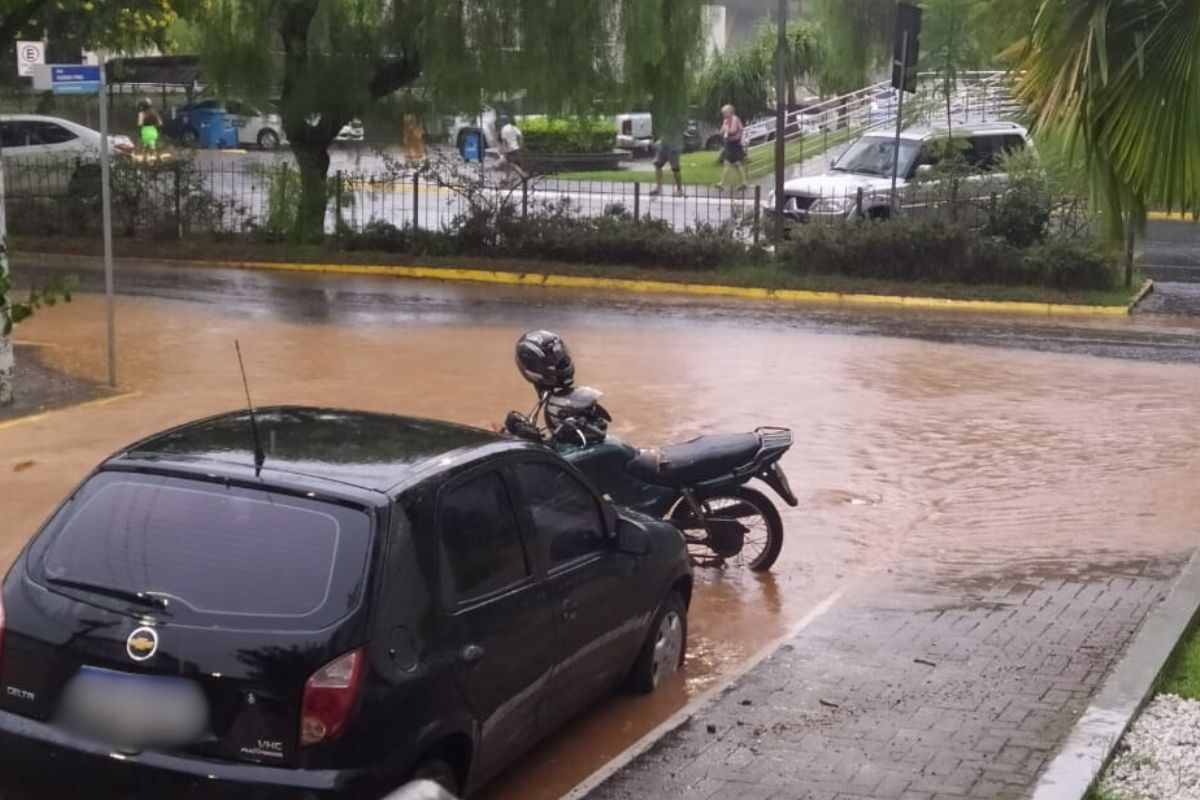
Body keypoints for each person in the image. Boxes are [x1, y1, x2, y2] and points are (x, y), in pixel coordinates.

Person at [715, 103, 748, 191]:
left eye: (725, 113)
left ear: (730, 112)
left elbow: (733, 130)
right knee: (736, 164)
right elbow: (722, 131)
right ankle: (744, 182)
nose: (724, 115)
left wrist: (726, 129)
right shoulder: (726, 121)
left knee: (729, 163)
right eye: (723, 113)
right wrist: (722, 131)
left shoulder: (734, 119)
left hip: (735, 143)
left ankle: (722, 183)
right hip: (729, 143)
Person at [649, 123, 685, 198]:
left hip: (673, 146)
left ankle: (679, 190)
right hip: (664, 145)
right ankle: (658, 188)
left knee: (675, 168)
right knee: (657, 164)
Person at [497, 114, 528, 187]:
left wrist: (504, 150)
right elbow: (520, 136)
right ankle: (508, 180)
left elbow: (504, 141)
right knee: (509, 165)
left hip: (509, 149)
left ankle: (522, 174)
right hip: (516, 148)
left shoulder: (503, 129)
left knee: (511, 164)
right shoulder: (514, 128)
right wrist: (521, 145)